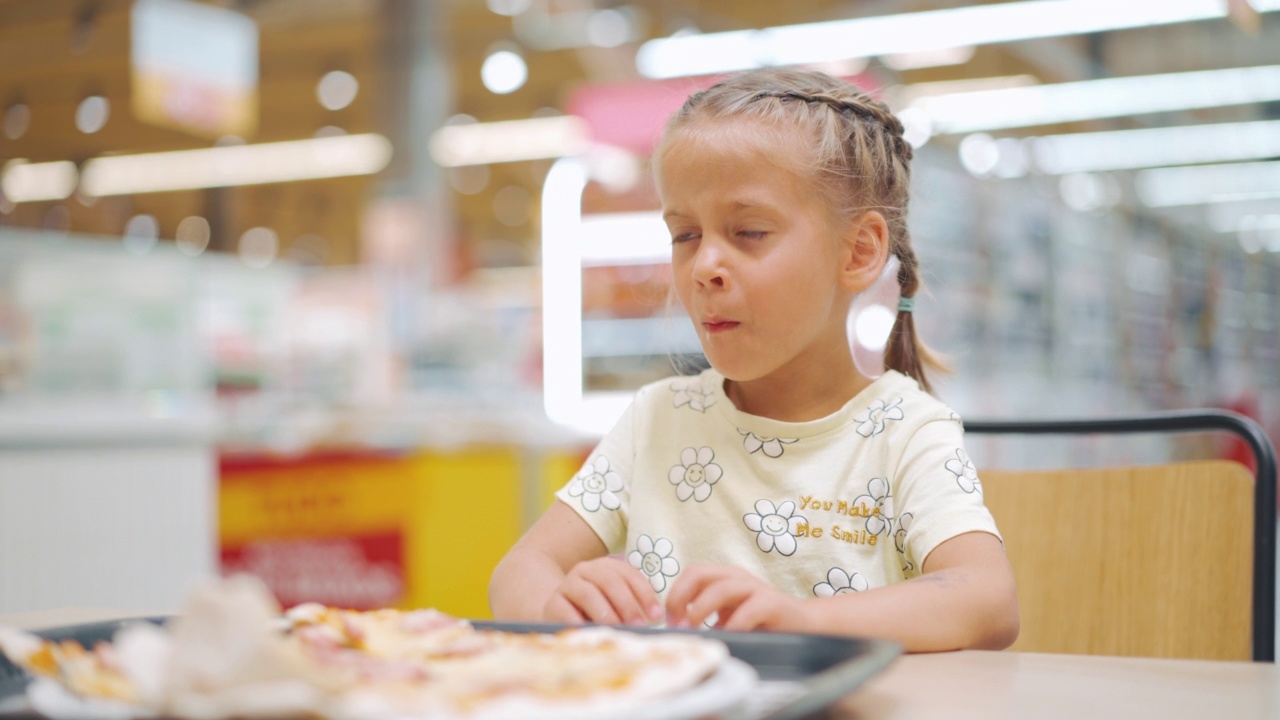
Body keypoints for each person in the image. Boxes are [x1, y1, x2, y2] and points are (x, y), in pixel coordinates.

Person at [490, 68, 1019, 652]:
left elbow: (987, 600)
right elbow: (519, 569)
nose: (703, 266)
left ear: (860, 252)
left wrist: (804, 620)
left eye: (749, 232)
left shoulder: (905, 432)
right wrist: (555, 606)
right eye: (685, 235)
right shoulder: (659, 420)